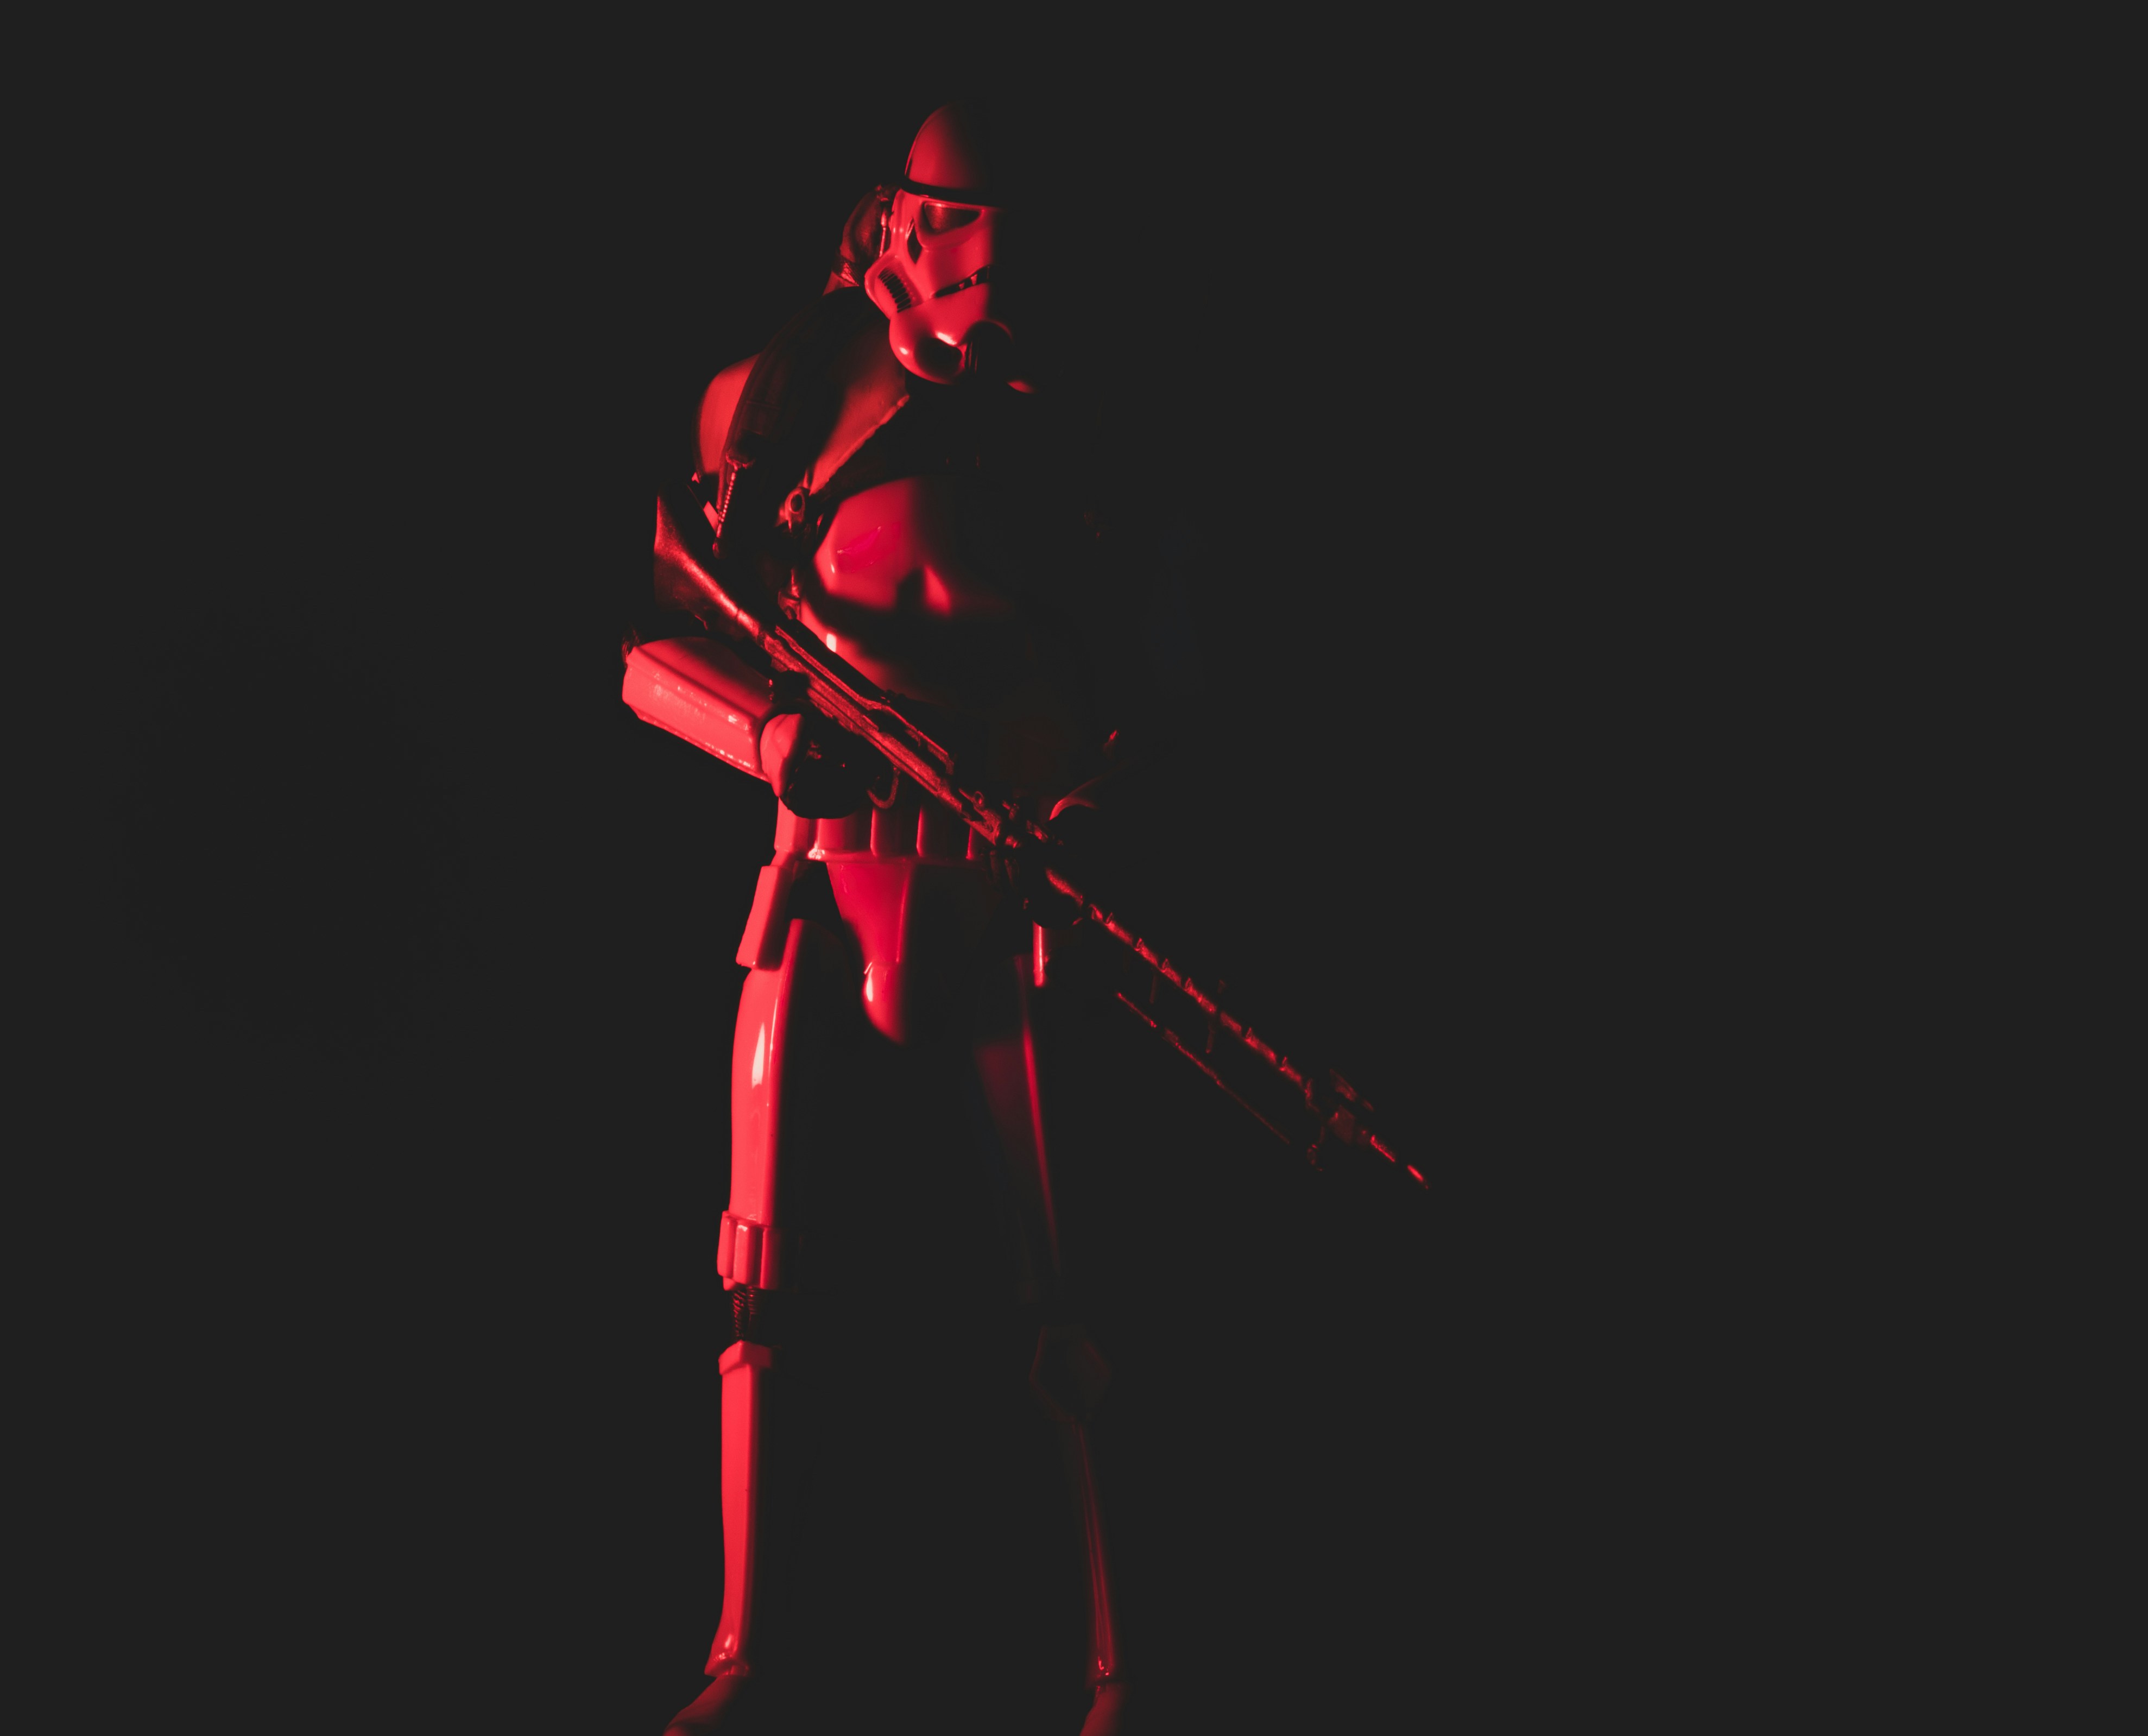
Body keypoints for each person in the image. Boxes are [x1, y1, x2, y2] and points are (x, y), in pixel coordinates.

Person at [629, 100, 1144, 1736]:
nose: (985, 273)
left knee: (1057, 1291)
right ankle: (741, 1647)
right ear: (900, 225)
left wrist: (1078, 789)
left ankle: (1117, 1666)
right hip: (821, 869)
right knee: (761, 1283)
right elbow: (650, 648)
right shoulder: (772, 400)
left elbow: (1120, 669)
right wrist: (766, 735)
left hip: (994, 880)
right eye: (961, 231)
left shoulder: (1049, 432)